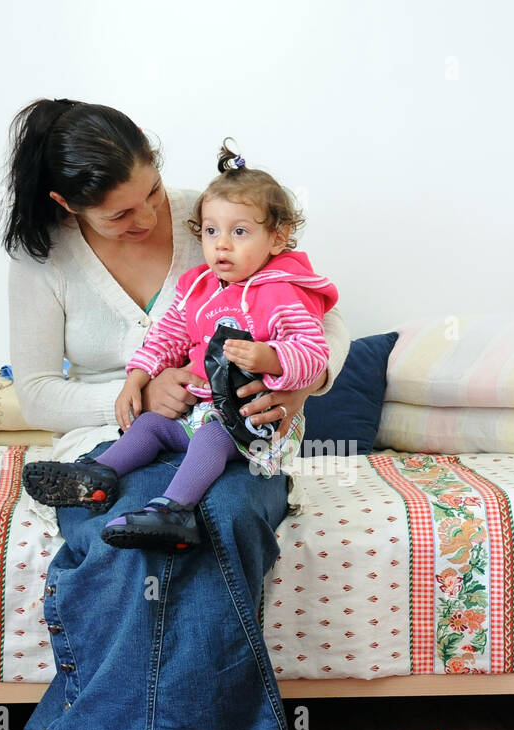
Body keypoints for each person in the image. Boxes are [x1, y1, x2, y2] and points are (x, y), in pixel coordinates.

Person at [0, 99, 350, 730]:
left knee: (220, 516)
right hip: (120, 433)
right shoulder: (43, 260)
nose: (150, 218)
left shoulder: (218, 216)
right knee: (123, 534)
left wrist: (300, 392)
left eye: (152, 192)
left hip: (240, 431)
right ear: (68, 206)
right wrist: (138, 393)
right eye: (121, 214)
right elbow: (35, 393)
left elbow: (322, 320)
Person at [20, 141, 338, 551]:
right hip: (197, 411)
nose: (221, 244)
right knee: (151, 425)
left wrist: (273, 358)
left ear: (278, 238)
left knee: (211, 438)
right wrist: (138, 377)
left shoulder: (282, 294)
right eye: (211, 232)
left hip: (251, 423)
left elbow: (314, 351)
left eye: (239, 232)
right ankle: (95, 474)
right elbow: (167, 336)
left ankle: (174, 510)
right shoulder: (200, 289)